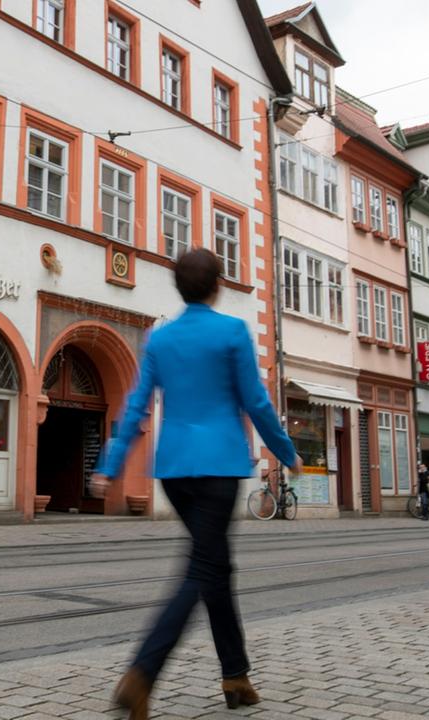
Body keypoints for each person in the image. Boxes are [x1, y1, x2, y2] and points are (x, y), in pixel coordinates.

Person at [92, 249, 301, 720]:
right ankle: (142, 672)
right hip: (218, 467)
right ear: (218, 285)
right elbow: (257, 402)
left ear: (179, 287)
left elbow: (136, 405)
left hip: (174, 472)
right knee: (201, 570)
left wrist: (110, 463)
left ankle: (236, 675)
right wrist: (286, 452)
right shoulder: (231, 332)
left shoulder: (160, 340)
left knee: (216, 568)